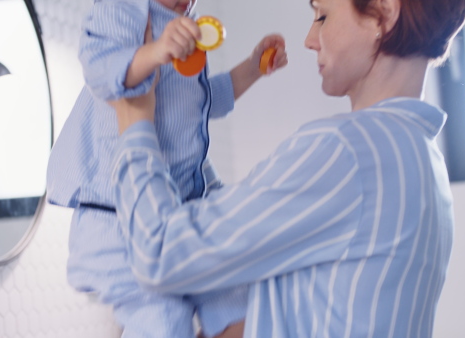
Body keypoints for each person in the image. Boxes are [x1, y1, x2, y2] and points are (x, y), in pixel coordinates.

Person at [110, 0, 465, 336]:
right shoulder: (422, 162)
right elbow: (250, 248)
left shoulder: (349, 150)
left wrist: (135, 118)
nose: (309, 40)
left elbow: (159, 254)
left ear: (384, 11)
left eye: (322, 15)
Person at [45, 0, 287, 337]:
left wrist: (252, 68)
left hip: (178, 215)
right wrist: (154, 53)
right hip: (117, 221)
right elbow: (102, 70)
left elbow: (201, 99)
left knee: (239, 305)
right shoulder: (124, 8)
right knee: (164, 321)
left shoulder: (185, 27)